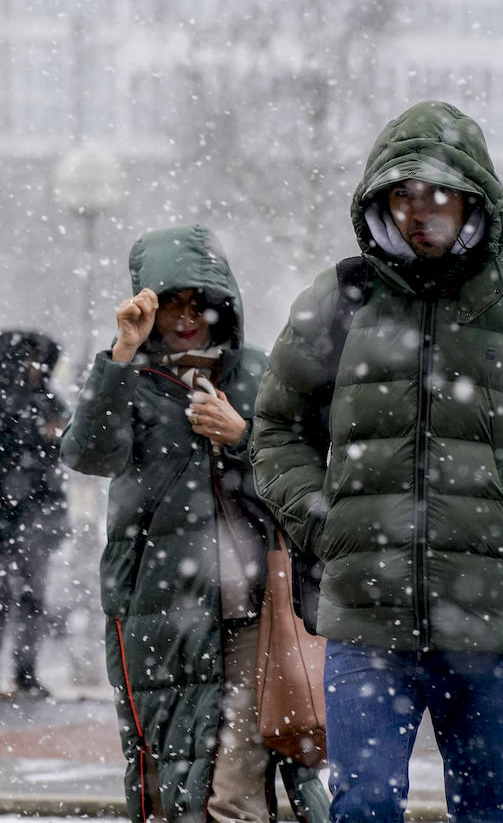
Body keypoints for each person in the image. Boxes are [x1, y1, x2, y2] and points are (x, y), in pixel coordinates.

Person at [250, 100, 503, 823]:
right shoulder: (338, 304)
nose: (417, 211)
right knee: (363, 807)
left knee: (485, 809)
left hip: (493, 621)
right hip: (367, 619)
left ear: (472, 198)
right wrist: (322, 522)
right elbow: (276, 429)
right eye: (401, 195)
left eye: (435, 193)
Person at [61, 224, 328, 823]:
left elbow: (307, 481)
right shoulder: (128, 377)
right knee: (170, 777)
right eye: (170, 303)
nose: (185, 317)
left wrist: (243, 438)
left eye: (197, 302)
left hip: (256, 606)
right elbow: (90, 455)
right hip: (157, 605)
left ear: (221, 305)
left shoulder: (259, 374)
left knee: (237, 781)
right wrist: (121, 353)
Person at [0, 329, 69, 698]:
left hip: (40, 512)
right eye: (27, 359)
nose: (35, 368)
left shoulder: (51, 402)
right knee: (1, 591)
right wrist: (36, 436)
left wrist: (53, 439)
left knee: (34, 595)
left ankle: (26, 672)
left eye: (40, 360)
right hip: (0, 514)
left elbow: (68, 449)